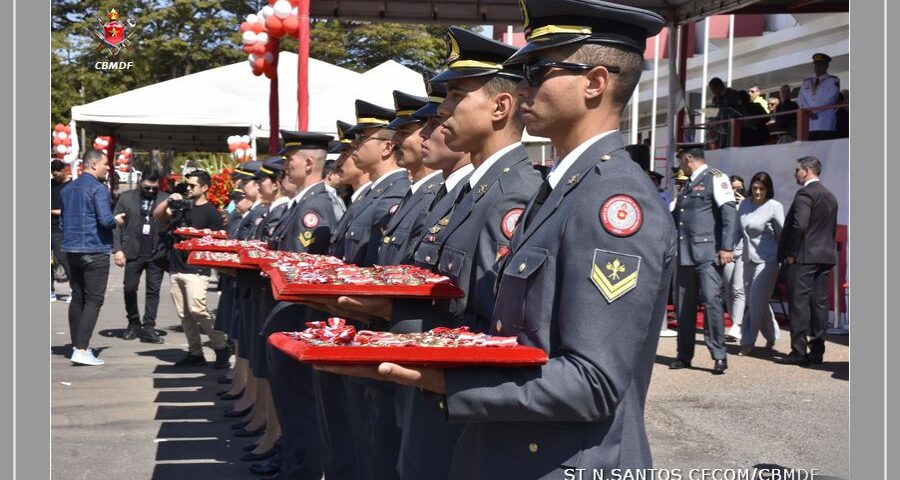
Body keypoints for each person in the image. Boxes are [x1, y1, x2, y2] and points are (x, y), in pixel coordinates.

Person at [317, 2, 673, 476]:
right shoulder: (563, 190)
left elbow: (594, 381)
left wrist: (447, 379)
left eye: (538, 71)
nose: (522, 86)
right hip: (504, 449)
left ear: (595, 82)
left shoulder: (613, 203)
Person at [670, 148, 738, 375]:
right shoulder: (687, 184)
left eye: (681, 159)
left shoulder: (716, 178)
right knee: (684, 308)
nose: (679, 164)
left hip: (707, 253)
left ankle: (719, 355)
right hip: (685, 253)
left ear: (689, 159)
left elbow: (729, 214)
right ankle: (684, 355)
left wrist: (726, 247)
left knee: (711, 302)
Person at [153, 169, 230, 368]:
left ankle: (221, 347)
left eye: (193, 185)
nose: (188, 188)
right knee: (184, 314)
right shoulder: (181, 206)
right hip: (176, 267)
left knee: (198, 309)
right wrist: (169, 200)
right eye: (187, 185)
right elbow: (158, 215)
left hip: (197, 269)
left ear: (205, 188)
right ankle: (195, 352)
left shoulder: (211, 212)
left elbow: (216, 241)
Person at [60, 149, 126, 366]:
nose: (108, 168)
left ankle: (77, 345)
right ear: (93, 165)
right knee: (94, 299)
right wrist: (116, 220)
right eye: (105, 164)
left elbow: (62, 222)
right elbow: (105, 220)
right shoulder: (98, 189)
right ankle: (81, 348)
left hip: (71, 249)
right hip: (94, 249)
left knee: (77, 296)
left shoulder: (67, 189)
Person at [777, 156, 838, 365]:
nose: (795, 174)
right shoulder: (830, 196)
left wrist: (792, 252)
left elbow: (799, 225)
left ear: (807, 170)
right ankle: (817, 350)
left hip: (804, 257)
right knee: (819, 304)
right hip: (824, 256)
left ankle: (798, 351)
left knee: (799, 304)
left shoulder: (805, 193)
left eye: (797, 170)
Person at [112, 169, 169, 343]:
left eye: (154, 188)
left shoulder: (165, 199)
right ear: (140, 183)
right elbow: (116, 224)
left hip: (157, 252)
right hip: (132, 251)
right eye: (147, 188)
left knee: (153, 291)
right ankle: (133, 322)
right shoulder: (126, 198)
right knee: (129, 288)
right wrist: (118, 249)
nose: (151, 191)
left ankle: (149, 327)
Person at [737, 171, 784, 356]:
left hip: (768, 260)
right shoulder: (744, 204)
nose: (757, 192)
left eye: (762, 189)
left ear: (768, 190)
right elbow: (736, 230)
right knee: (758, 301)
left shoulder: (774, 206)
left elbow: (782, 234)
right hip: (748, 258)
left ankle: (747, 341)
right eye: (755, 188)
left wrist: (787, 256)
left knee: (755, 302)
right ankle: (772, 335)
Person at [723, 175, 746, 342]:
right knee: (727, 288)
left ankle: (737, 325)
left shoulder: (747, 205)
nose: (737, 191)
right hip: (728, 251)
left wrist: (744, 204)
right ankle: (734, 321)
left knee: (738, 289)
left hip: (744, 251)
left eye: (740, 188)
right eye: (734, 188)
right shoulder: (725, 204)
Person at [798, 53, 841, 140]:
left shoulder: (832, 81)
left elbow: (830, 98)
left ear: (826, 66)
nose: (817, 67)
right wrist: (808, 112)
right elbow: (801, 99)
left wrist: (814, 111)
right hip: (809, 122)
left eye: (821, 64)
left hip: (825, 122)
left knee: (824, 148)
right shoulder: (806, 82)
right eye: (816, 65)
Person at [51, 159, 71, 302]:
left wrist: (52, 211)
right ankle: (50, 290)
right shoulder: (50, 184)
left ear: (64, 170)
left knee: (63, 258)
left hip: (60, 227)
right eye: (52, 173)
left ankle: (74, 289)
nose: (54, 176)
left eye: (56, 173)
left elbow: (69, 209)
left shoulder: (71, 186)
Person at [708, 77, 743, 149]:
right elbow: (714, 111)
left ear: (719, 86)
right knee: (721, 147)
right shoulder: (715, 98)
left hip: (731, 127)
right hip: (720, 129)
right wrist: (711, 119)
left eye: (713, 89)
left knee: (729, 147)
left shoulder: (732, 94)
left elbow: (738, 111)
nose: (712, 92)